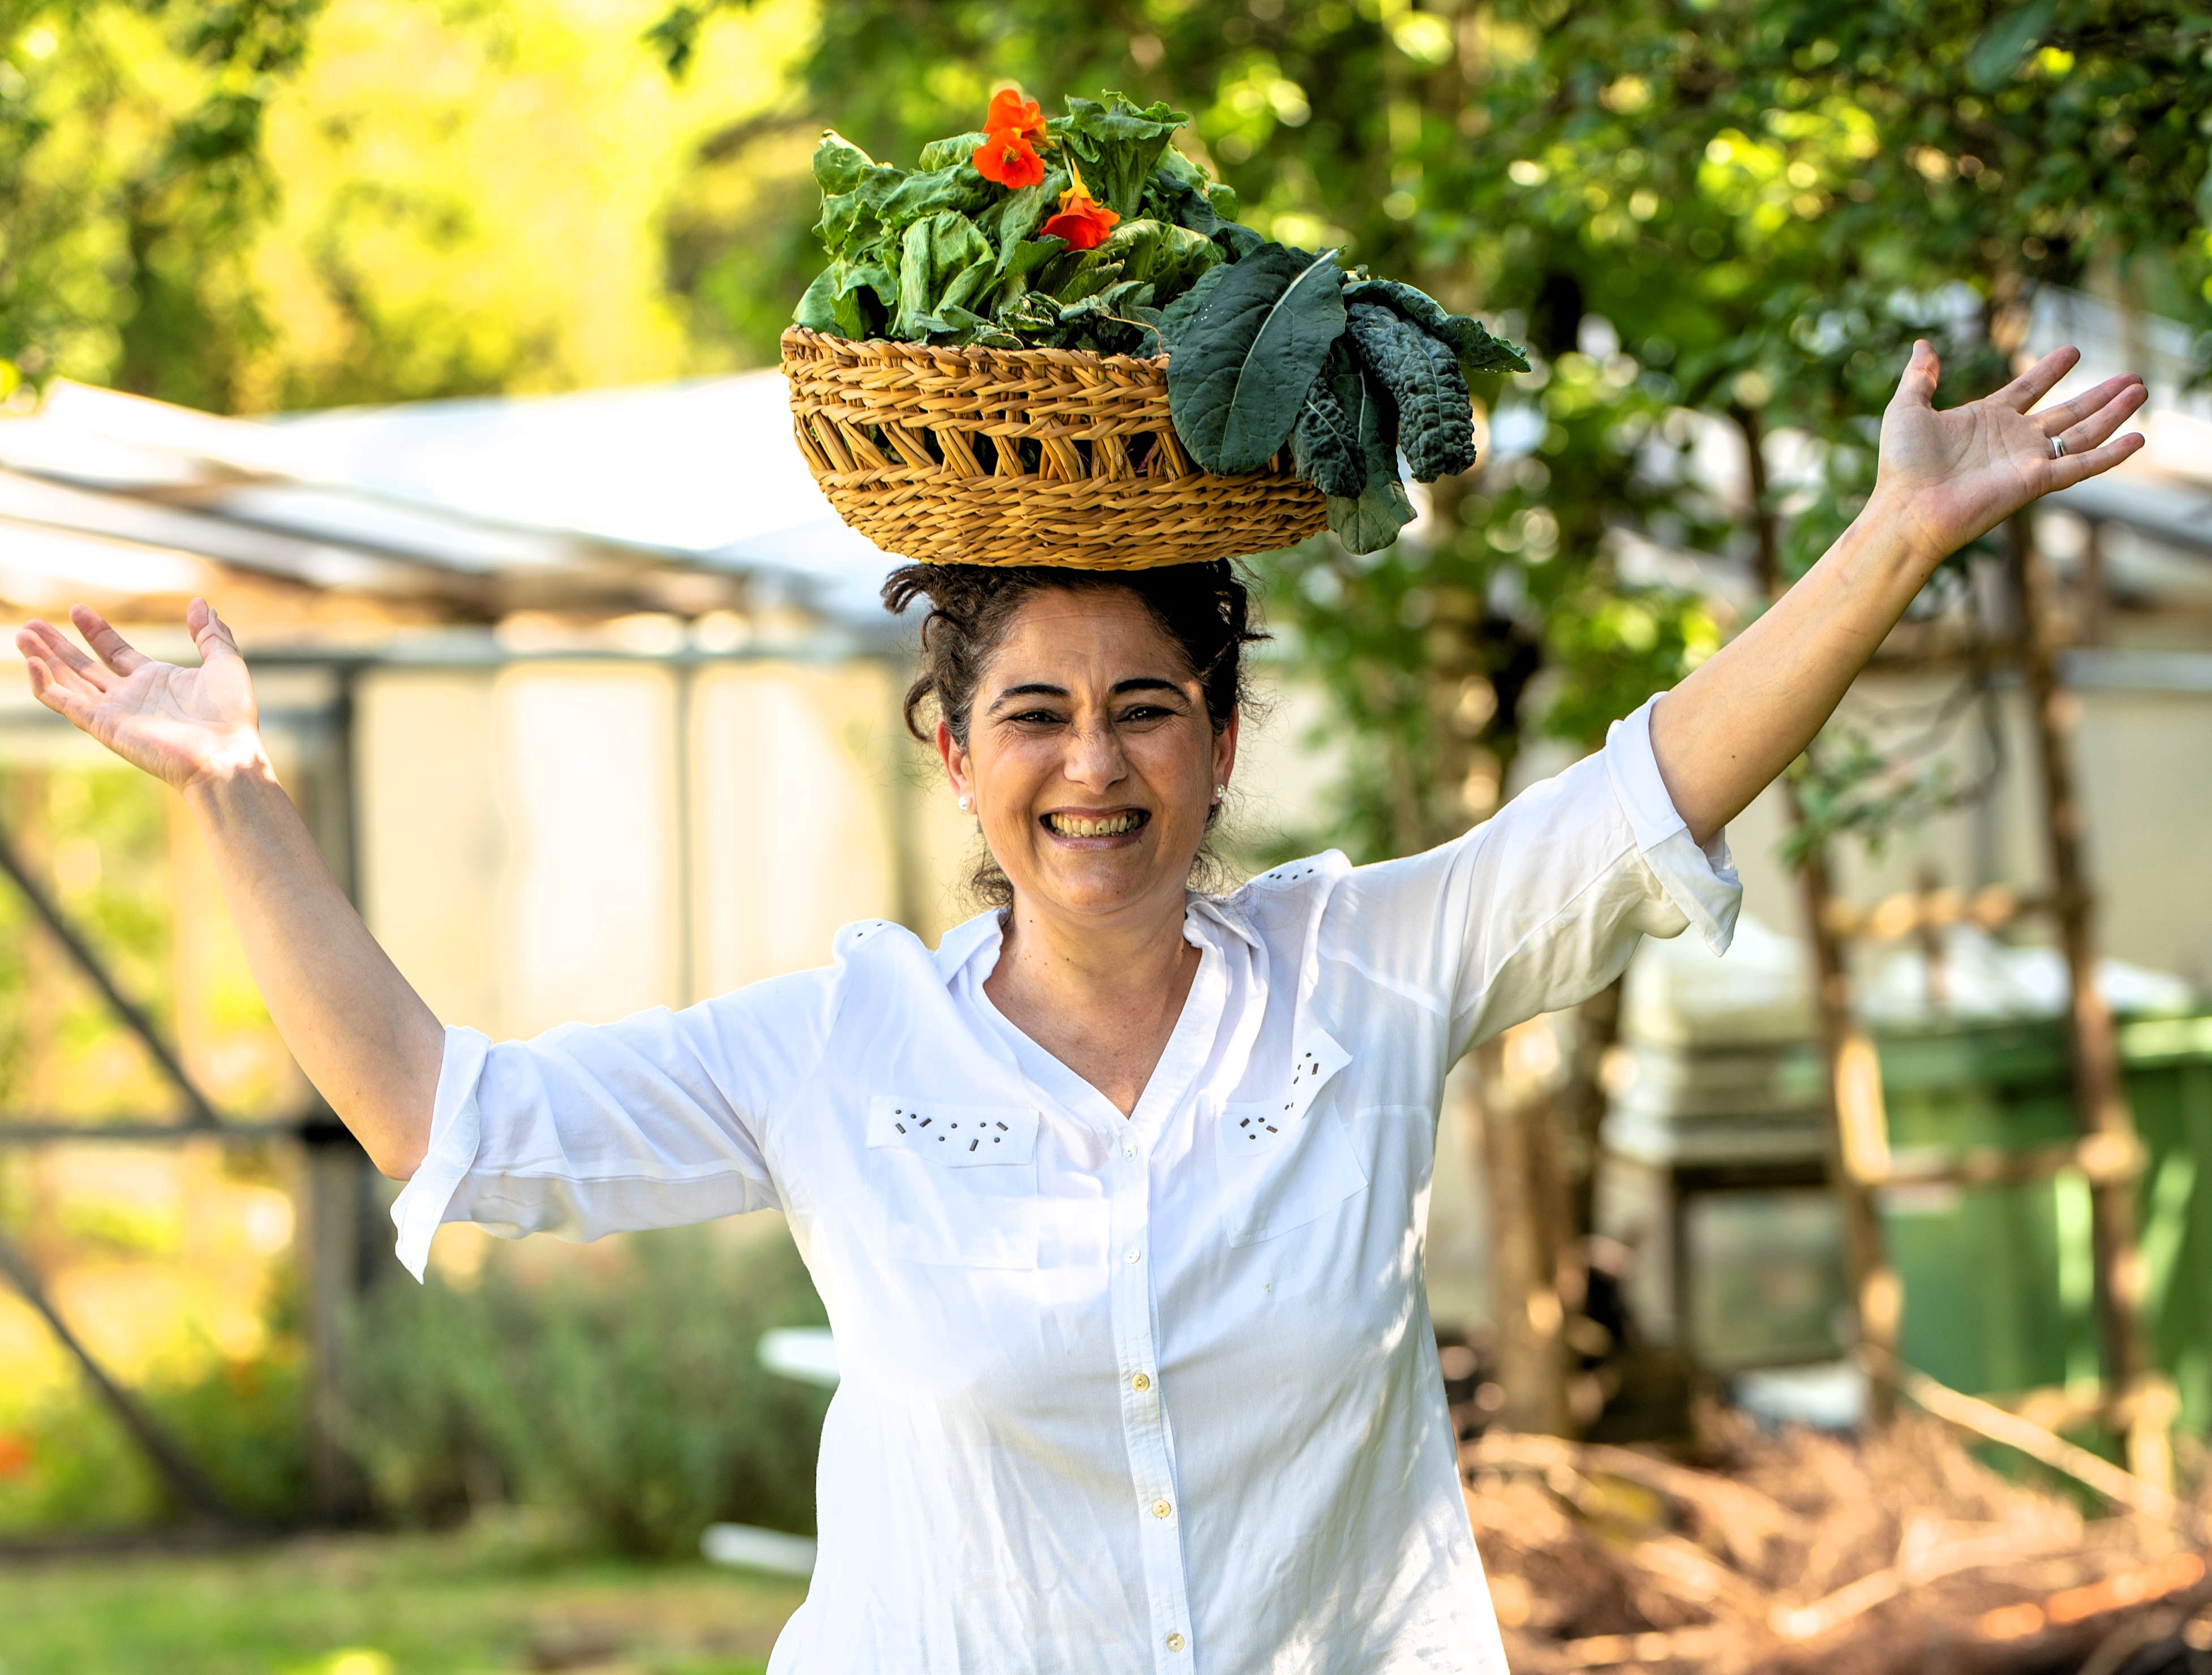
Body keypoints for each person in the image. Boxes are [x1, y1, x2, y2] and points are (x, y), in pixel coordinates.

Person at [15, 344, 2144, 1672]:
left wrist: (1898, 530)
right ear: (954, 755)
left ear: (1222, 740)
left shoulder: (1371, 973)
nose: (1094, 766)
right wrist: (235, 790)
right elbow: (439, 1112)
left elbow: (1648, 784)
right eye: (1033, 713)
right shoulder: (839, 1049)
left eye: (1148, 709)